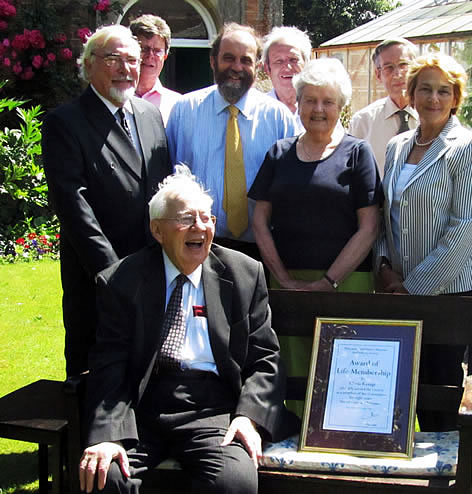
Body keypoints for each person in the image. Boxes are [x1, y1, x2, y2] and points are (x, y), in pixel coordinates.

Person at [78, 165, 292, 494]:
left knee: (234, 483)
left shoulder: (243, 274)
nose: (200, 227)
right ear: (157, 230)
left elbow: (265, 357)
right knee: (107, 477)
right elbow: (110, 362)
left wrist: (249, 417)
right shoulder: (123, 280)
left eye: (207, 218)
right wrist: (108, 437)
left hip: (213, 407)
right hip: (143, 404)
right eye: (186, 219)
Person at [249, 57, 381, 415]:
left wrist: (328, 281)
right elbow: (259, 219)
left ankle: (341, 441)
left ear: (341, 106)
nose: (318, 109)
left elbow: (369, 227)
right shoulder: (279, 153)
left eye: (328, 101)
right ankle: (290, 441)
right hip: (286, 282)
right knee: (291, 368)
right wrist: (282, 278)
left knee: (342, 368)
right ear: (299, 103)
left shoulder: (358, 153)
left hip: (347, 283)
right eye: (310, 100)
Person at [42, 25, 171, 377]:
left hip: (153, 272)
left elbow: (162, 190)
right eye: (113, 58)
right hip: (97, 279)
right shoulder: (65, 123)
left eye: (132, 59)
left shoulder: (149, 115)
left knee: (151, 375)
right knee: (97, 378)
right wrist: (114, 274)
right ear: (88, 64)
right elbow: (73, 206)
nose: (125, 68)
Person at [374, 53, 472, 428]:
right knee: (402, 390)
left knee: (439, 396)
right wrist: (385, 268)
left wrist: (413, 288)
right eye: (425, 89)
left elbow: (465, 228)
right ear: (410, 94)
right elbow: (385, 216)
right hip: (397, 290)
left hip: (447, 295)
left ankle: (444, 482)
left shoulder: (469, 149)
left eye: (444, 91)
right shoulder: (397, 146)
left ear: (456, 98)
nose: (434, 99)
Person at [167, 23, 297, 261]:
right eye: (228, 58)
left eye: (245, 60)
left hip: (262, 251)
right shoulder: (184, 111)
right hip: (197, 246)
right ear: (213, 61)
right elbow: (169, 179)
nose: (237, 67)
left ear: (257, 67)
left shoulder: (279, 118)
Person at [349, 38, 418, 174]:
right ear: (378, 75)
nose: (397, 74)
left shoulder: (432, 116)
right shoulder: (363, 122)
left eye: (403, 65)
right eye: (389, 68)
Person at [129, 14, 181, 125]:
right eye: (144, 49)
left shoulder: (177, 105)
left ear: (165, 56)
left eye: (157, 51)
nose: (150, 55)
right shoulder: (115, 97)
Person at [262, 26, 312, 132]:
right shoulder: (257, 112)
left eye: (293, 60)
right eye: (279, 61)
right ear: (267, 68)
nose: (287, 67)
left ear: (306, 64)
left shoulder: (320, 110)